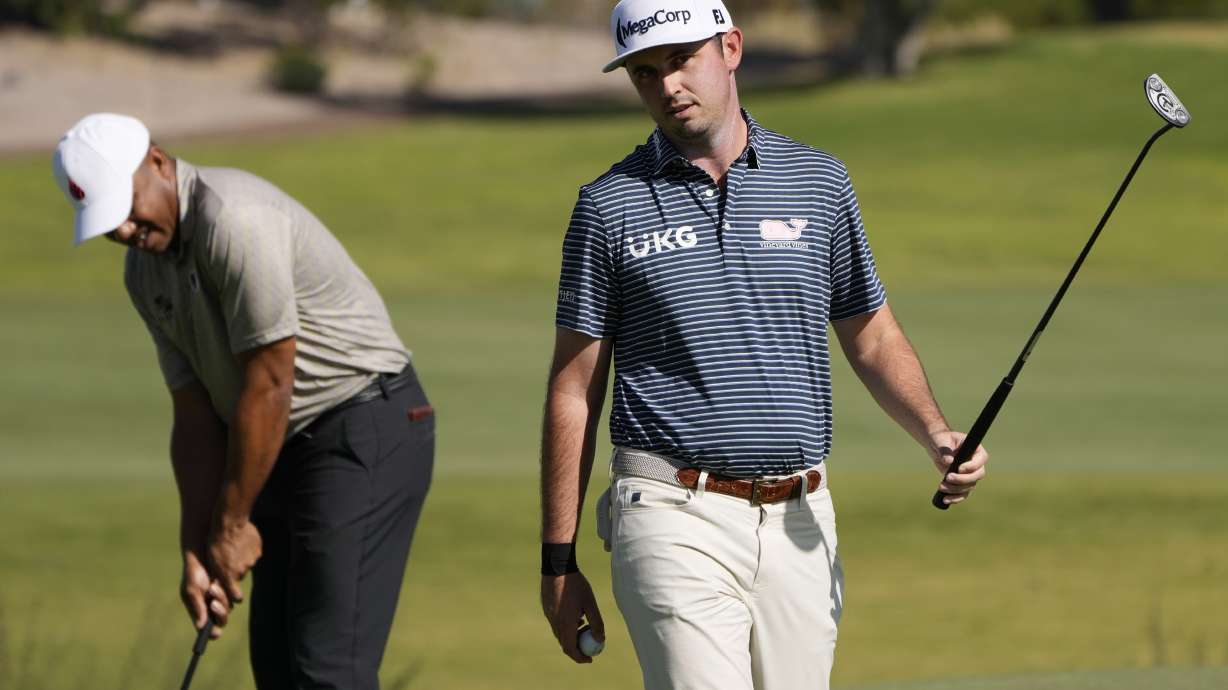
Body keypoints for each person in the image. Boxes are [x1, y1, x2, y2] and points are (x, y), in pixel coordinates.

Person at [538, 2, 989, 688]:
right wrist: (558, 561)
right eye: (645, 72)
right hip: (669, 514)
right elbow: (574, 389)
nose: (666, 87)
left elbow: (871, 334)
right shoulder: (609, 207)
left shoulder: (819, 182)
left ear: (731, 49)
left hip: (802, 518)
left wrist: (934, 431)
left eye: (681, 60)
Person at [52, 113, 435, 690]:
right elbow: (195, 413)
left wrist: (232, 525)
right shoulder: (144, 273)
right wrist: (199, 545)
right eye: (110, 222)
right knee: (278, 670)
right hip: (277, 441)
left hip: (364, 422)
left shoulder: (233, 219)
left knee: (326, 670)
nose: (127, 229)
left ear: (157, 160)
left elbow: (269, 381)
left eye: (128, 206)